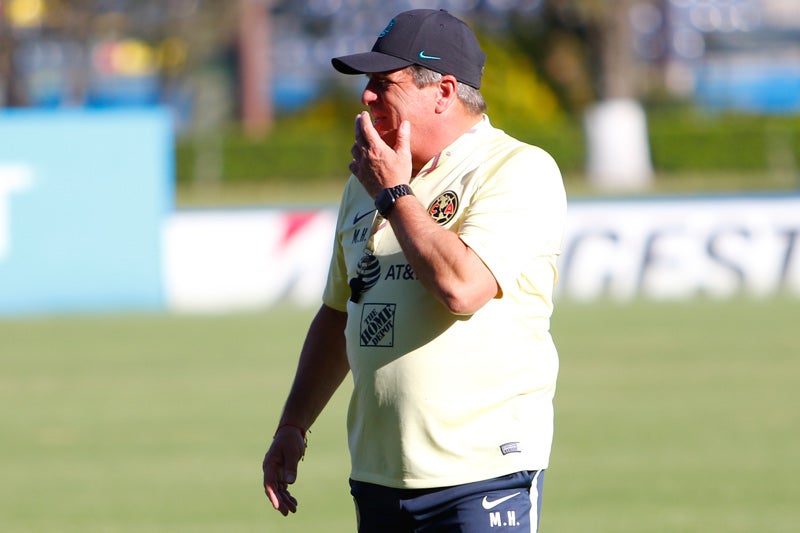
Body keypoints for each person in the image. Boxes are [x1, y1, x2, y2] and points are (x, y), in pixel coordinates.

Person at [262, 8, 567, 532]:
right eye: (367, 84)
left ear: (443, 91)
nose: (367, 96)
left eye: (385, 83)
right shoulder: (366, 180)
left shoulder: (516, 168)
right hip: (380, 478)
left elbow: (463, 287)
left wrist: (396, 195)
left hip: (484, 477)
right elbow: (338, 314)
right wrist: (294, 424)